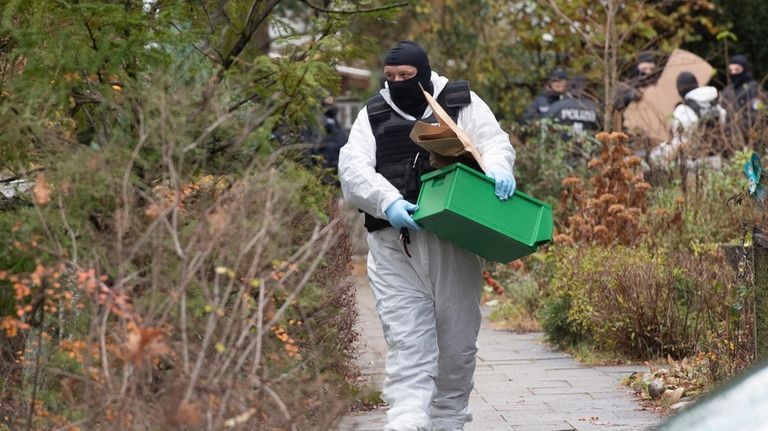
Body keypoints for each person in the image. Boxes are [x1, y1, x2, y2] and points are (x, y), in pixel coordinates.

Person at [338, 41, 515, 431]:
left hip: (453, 240)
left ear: (423, 71)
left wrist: (500, 167)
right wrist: (388, 202)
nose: (398, 82)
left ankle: (448, 420)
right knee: (408, 339)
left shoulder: (459, 101)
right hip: (393, 245)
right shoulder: (374, 113)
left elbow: (493, 141)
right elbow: (352, 169)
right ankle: (406, 420)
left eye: (406, 76)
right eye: (391, 76)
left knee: (457, 341)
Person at [650, 71, 726, 165]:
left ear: (679, 88)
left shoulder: (684, 110)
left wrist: (658, 156)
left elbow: (680, 142)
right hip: (717, 160)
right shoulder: (715, 105)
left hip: (694, 163)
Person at [720, 54, 765, 134]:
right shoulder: (727, 90)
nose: (733, 73)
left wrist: (735, 128)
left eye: (737, 69)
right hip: (727, 135)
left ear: (744, 69)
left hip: (748, 135)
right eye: (731, 70)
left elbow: (757, 114)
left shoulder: (754, 89)